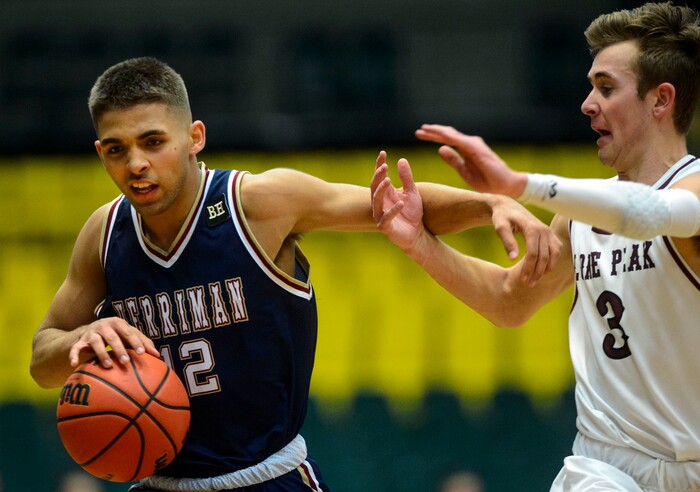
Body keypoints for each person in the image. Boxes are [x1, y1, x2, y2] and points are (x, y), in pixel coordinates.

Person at [29, 57, 559, 491]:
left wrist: (490, 204)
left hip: (268, 478)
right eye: (117, 150)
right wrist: (82, 336)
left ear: (194, 137)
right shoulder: (104, 234)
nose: (136, 163)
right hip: (161, 481)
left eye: (153, 142)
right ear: (101, 153)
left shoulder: (256, 203)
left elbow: (392, 208)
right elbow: (42, 359)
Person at [372, 2, 700, 491]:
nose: (587, 103)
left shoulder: (691, 191)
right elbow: (510, 300)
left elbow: (652, 213)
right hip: (604, 465)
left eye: (606, 88)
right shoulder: (582, 216)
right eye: (590, 87)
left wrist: (521, 184)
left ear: (660, 100)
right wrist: (420, 243)